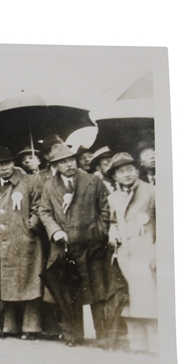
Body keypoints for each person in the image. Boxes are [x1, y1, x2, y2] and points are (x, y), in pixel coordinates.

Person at [38, 143, 110, 346]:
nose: (68, 164)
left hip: (92, 245)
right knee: (69, 293)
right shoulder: (50, 186)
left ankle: (103, 335)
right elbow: (44, 211)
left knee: (97, 291)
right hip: (65, 247)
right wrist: (55, 231)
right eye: (62, 162)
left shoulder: (92, 181)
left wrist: (100, 231)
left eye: (70, 160)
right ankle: (73, 335)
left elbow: (104, 206)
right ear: (55, 166)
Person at [0, 147, 44, 338]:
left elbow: (40, 207)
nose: (4, 168)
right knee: (5, 283)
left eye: (7, 163)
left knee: (29, 282)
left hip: (28, 241)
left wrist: (30, 226)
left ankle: (31, 326)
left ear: (13, 163)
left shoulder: (30, 182)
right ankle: (7, 325)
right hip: (3, 243)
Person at [107, 152, 157, 352]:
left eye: (129, 169)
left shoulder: (151, 191)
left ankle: (155, 344)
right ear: (115, 176)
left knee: (150, 298)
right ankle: (137, 343)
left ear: (137, 171)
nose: (126, 174)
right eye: (121, 171)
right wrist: (113, 231)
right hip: (125, 254)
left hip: (146, 250)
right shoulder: (114, 197)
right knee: (131, 298)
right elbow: (112, 220)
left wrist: (156, 248)